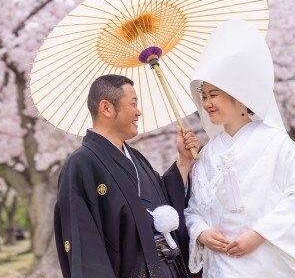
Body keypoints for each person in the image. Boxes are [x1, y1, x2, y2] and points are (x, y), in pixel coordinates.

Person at [54, 74, 201, 278]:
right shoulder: (81, 165)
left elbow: (158, 204)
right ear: (106, 108)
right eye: (133, 103)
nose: (139, 112)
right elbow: (84, 244)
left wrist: (183, 161)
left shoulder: (136, 157)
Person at [184, 20, 295, 277]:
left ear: (239, 95)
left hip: (266, 262)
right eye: (204, 97)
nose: (207, 103)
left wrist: (260, 234)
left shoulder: (276, 144)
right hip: (222, 266)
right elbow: (194, 210)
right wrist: (202, 232)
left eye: (214, 94)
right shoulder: (206, 155)